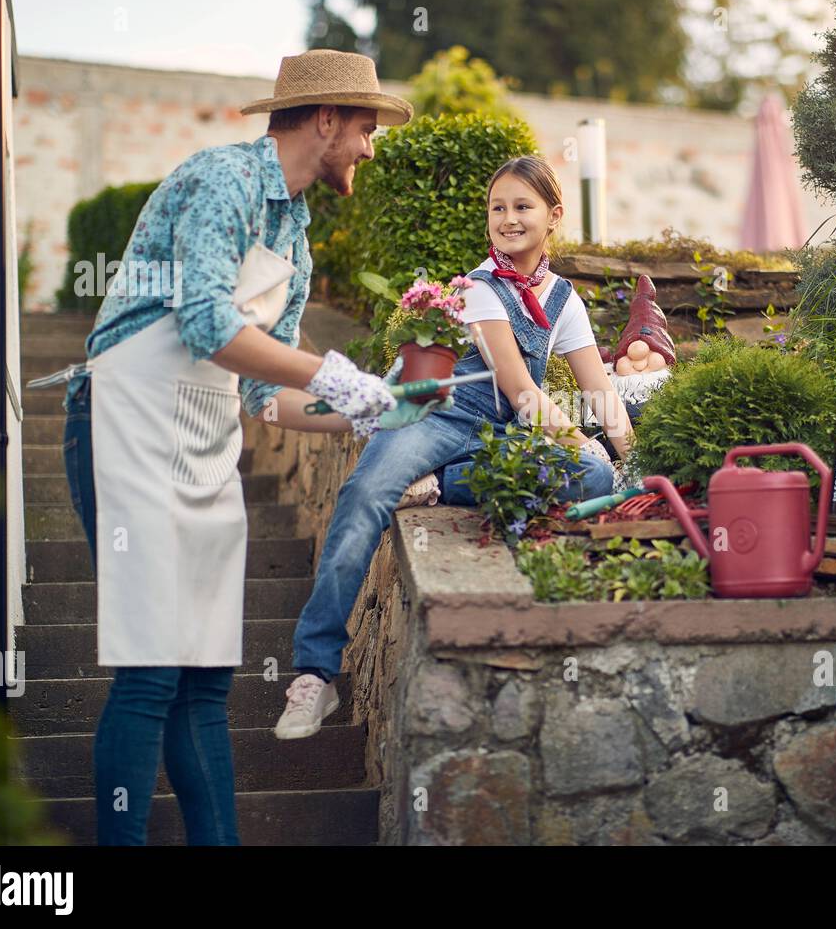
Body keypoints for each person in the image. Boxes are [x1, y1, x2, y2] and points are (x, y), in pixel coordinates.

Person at [56, 50, 442, 845]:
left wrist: (379, 411)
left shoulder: (294, 237)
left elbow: (270, 397)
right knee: (149, 673)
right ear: (326, 120)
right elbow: (204, 323)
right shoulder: (220, 180)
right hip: (125, 417)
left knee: (203, 684)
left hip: (205, 437)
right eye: (366, 128)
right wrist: (341, 377)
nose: (371, 148)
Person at [274, 155, 634, 739]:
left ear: (553, 217)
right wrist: (580, 441)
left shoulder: (565, 299)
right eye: (498, 208)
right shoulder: (480, 289)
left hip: (502, 436)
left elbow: (600, 392)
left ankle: (441, 485)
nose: (508, 219)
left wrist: (630, 457)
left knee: (593, 482)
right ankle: (316, 675)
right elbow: (520, 389)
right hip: (439, 418)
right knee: (366, 491)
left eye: (523, 207)